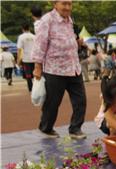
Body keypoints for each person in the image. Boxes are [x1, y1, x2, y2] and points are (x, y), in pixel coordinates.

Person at [31, 0, 86, 139]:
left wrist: (77, 43)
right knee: (53, 102)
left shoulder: (70, 21)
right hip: (55, 69)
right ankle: (46, 128)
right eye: (64, 4)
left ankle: (75, 129)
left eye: (70, 4)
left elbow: (68, 39)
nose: (67, 7)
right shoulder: (47, 20)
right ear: (55, 4)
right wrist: (37, 67)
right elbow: (39, 44)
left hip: (74, 68)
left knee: (80, 100)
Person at [17, 23, 36, 92]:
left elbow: (19, 49)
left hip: (26, 58)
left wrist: (18, 60)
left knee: (28, 74)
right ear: (29, 28)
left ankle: (30, 88)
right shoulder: (34, 36)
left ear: (22, 29)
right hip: (35, 58)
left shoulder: (21, 37)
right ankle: (37, 87)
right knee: (36, 73)